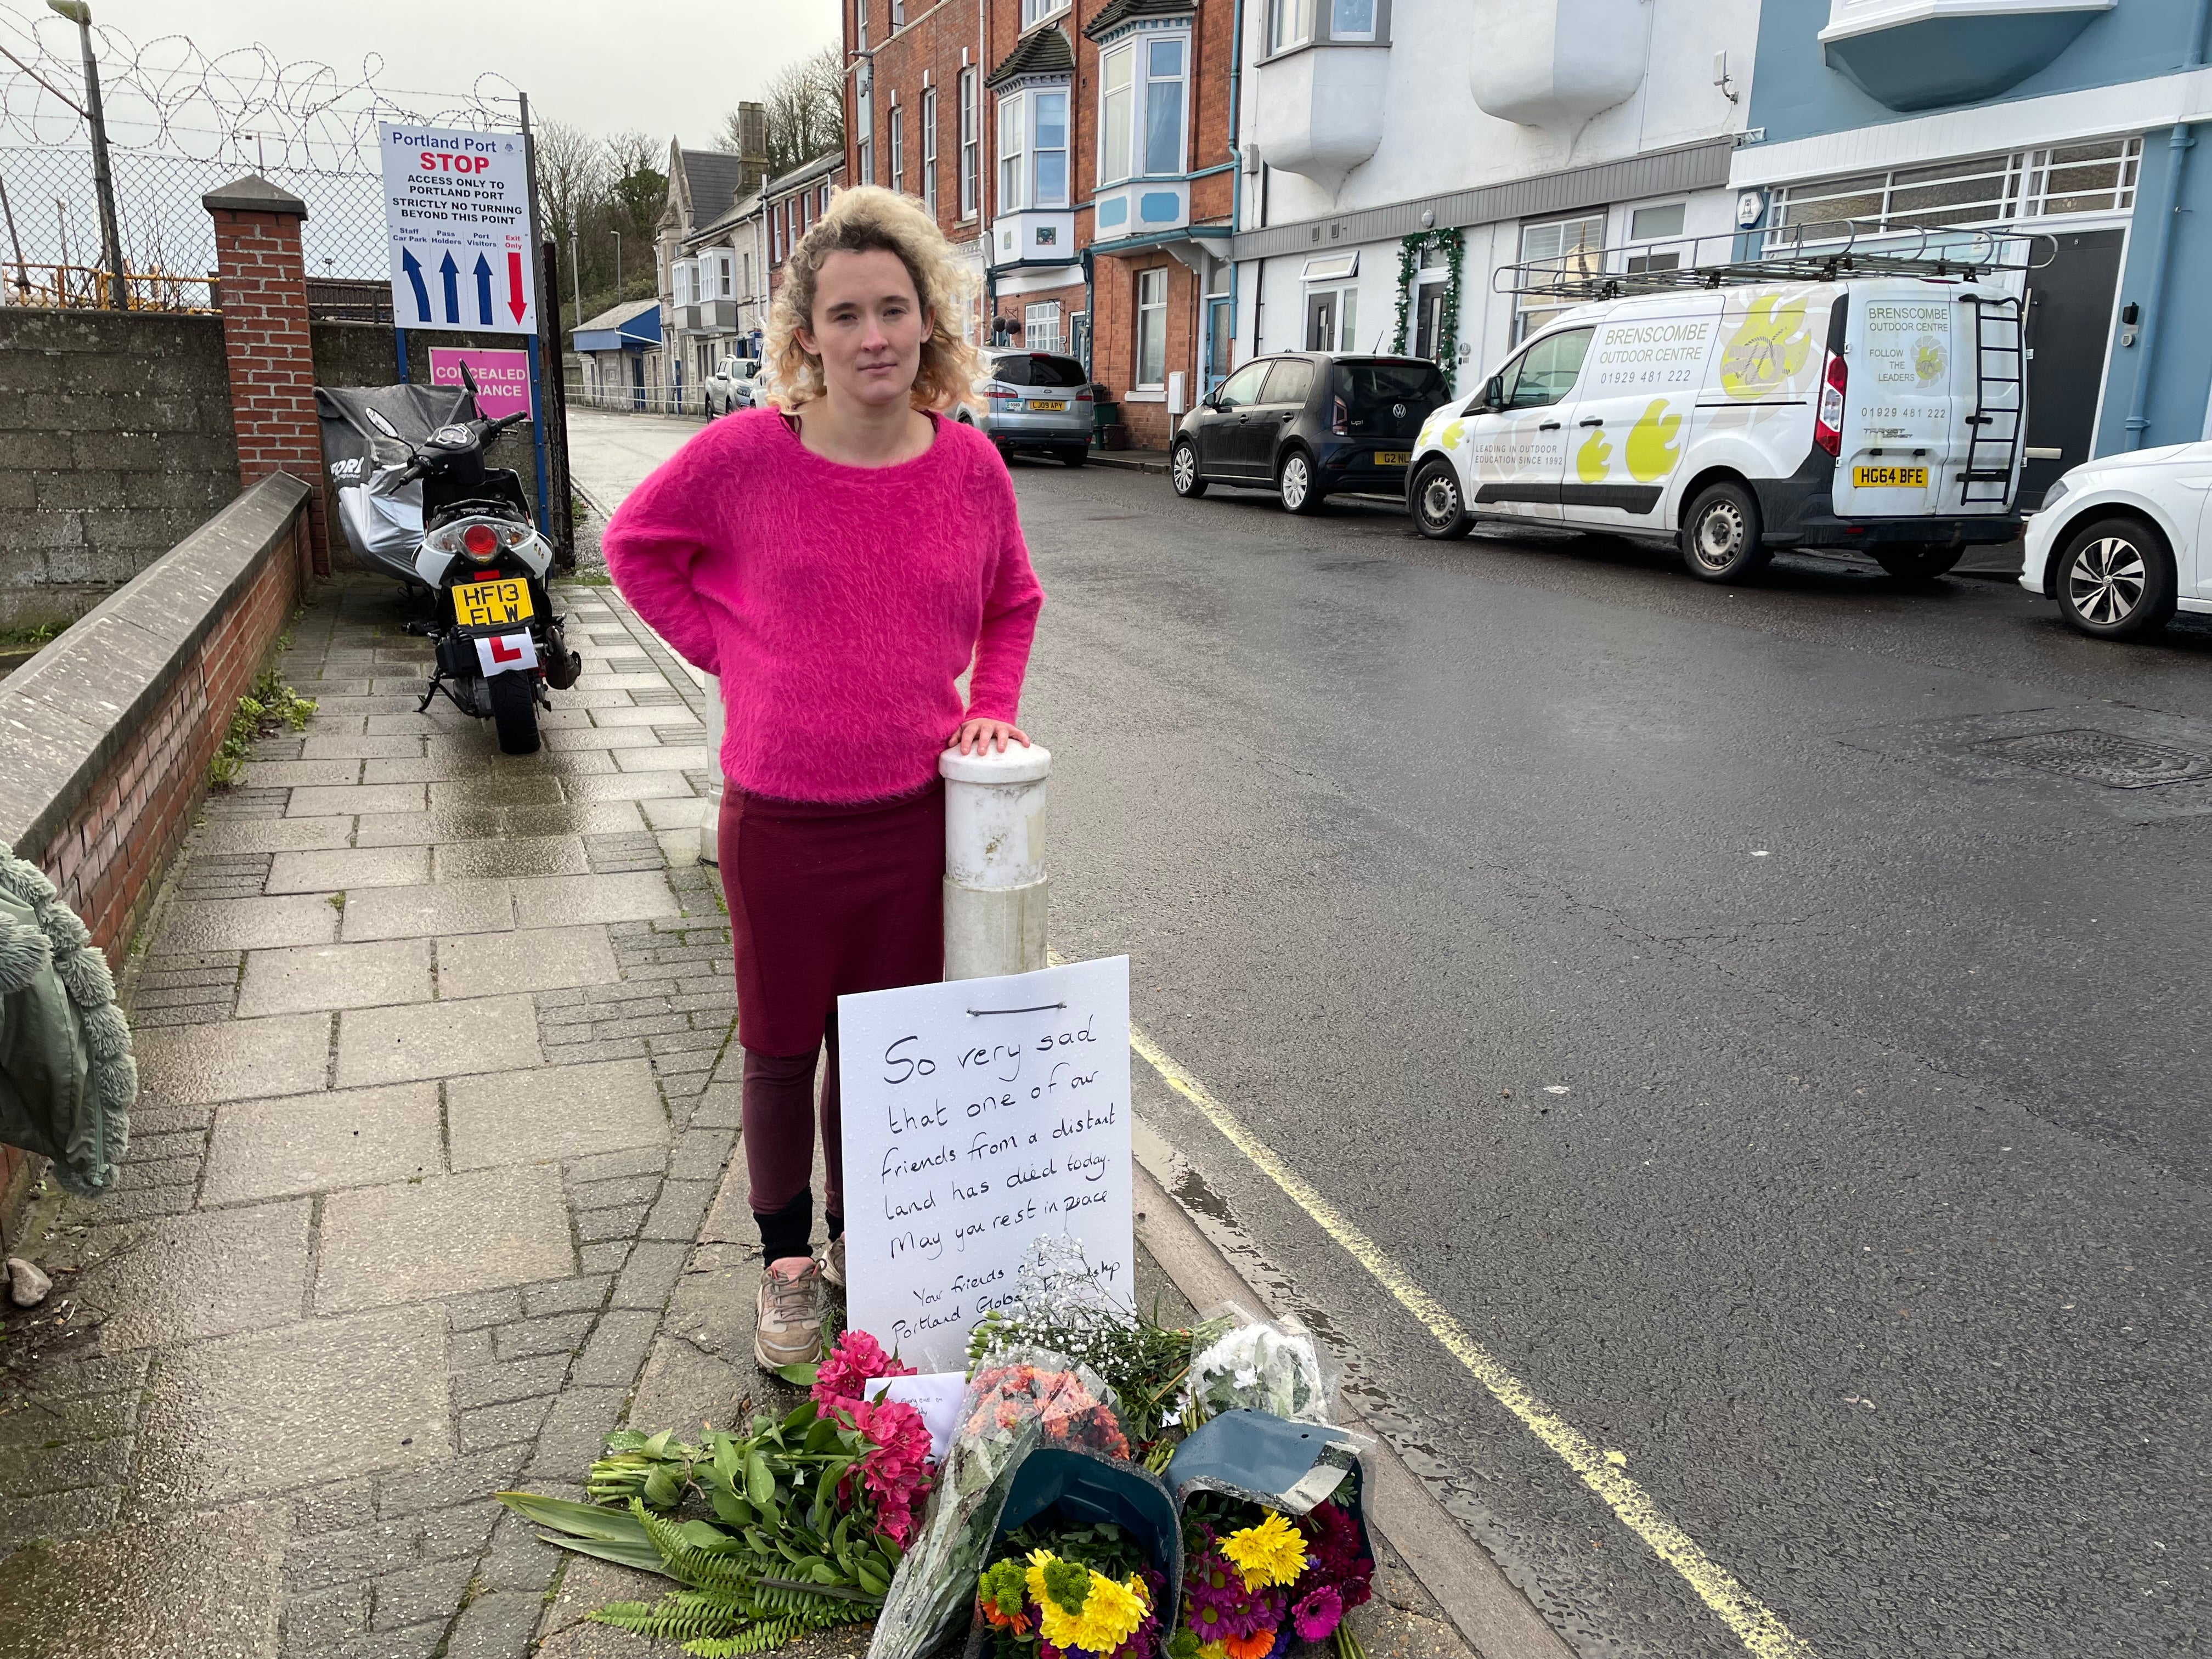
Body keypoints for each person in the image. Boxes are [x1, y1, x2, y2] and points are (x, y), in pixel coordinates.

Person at [603, 186, 1043, 1369]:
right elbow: (634, 549)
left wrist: (991, 708)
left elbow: (1013, 600)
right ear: (807, 335)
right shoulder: (747, 456)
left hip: (911, 820)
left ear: (929, 323)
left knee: (886, 1049)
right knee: (783, 1045)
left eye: (894, 309)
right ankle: (787, 1266)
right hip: (781, 823)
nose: (874, 337)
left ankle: (871, 1243)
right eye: (846, 315)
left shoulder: (968, 469)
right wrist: (731, 654)